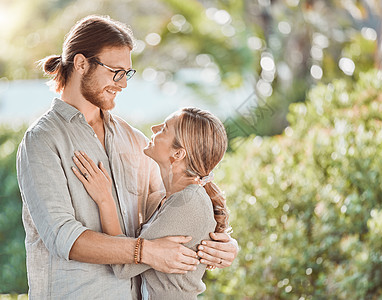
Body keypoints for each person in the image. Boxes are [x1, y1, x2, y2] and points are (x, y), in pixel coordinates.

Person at [16, 15, 238, 300]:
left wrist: (222, 243)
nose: (122, 84)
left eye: (127, 73)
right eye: (115, 72)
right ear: (81, 63)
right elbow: (64, 238)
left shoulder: (132, 139)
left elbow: (170, 206)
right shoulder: (43, 140)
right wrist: (144, 251)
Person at [72, 107, 229, 299]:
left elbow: (123, 266)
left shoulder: (189, 202)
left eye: (164, 129)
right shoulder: (164, 199)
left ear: (178, 154)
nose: (154, 128)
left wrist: (104, 198)